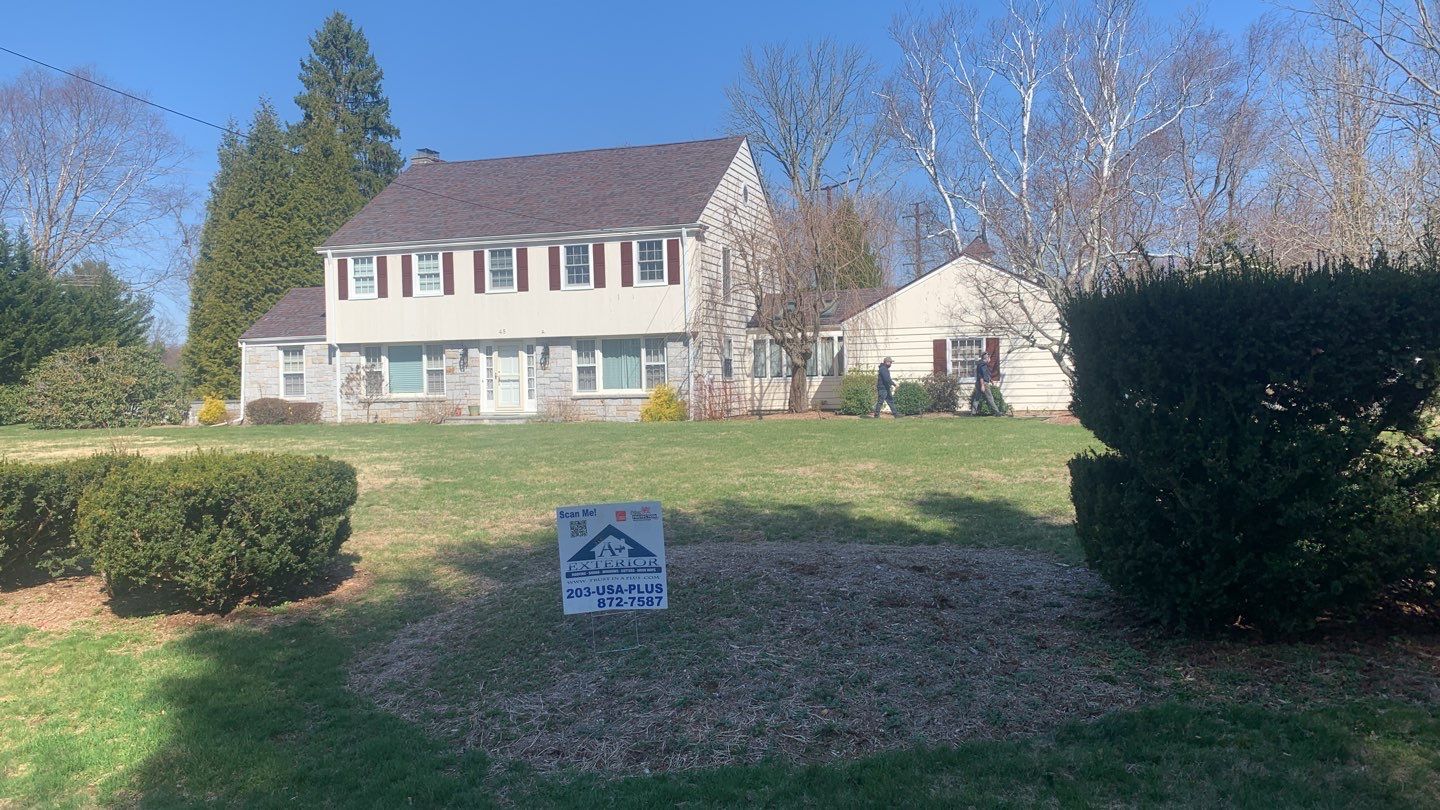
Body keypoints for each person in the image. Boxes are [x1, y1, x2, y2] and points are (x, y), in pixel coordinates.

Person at [971, 351, 1000, 415]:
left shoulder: (981, 364)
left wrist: (991, 380)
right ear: (987, 358)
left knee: (977, 398)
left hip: (979, 383)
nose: (990, 359)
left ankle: (973, 413)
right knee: (990, 398)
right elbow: (981, 376)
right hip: (983, 383)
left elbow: (986, 374)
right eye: (989, 358)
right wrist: (982, 385)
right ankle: (997, 412)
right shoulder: (982, 365)